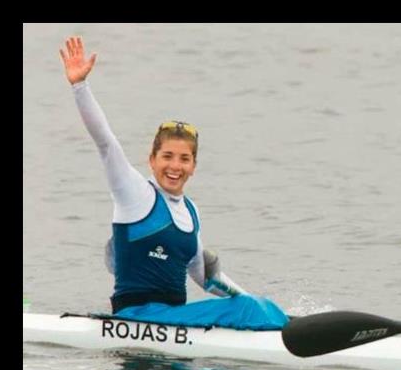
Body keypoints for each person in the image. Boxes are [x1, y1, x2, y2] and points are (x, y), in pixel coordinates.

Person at [59, 36, 287, 330]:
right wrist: (80, 87)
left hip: (171, 320)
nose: (175, 166)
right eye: (167, 156)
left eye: (184, 159)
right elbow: (106, 142)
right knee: (249, 310)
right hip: (137, 317)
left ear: (193, 166)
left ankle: (278, 325)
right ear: (151, 160)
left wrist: (251, 301)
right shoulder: (135, 194)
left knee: (254, 306)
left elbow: (205, 278)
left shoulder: (191, 212)